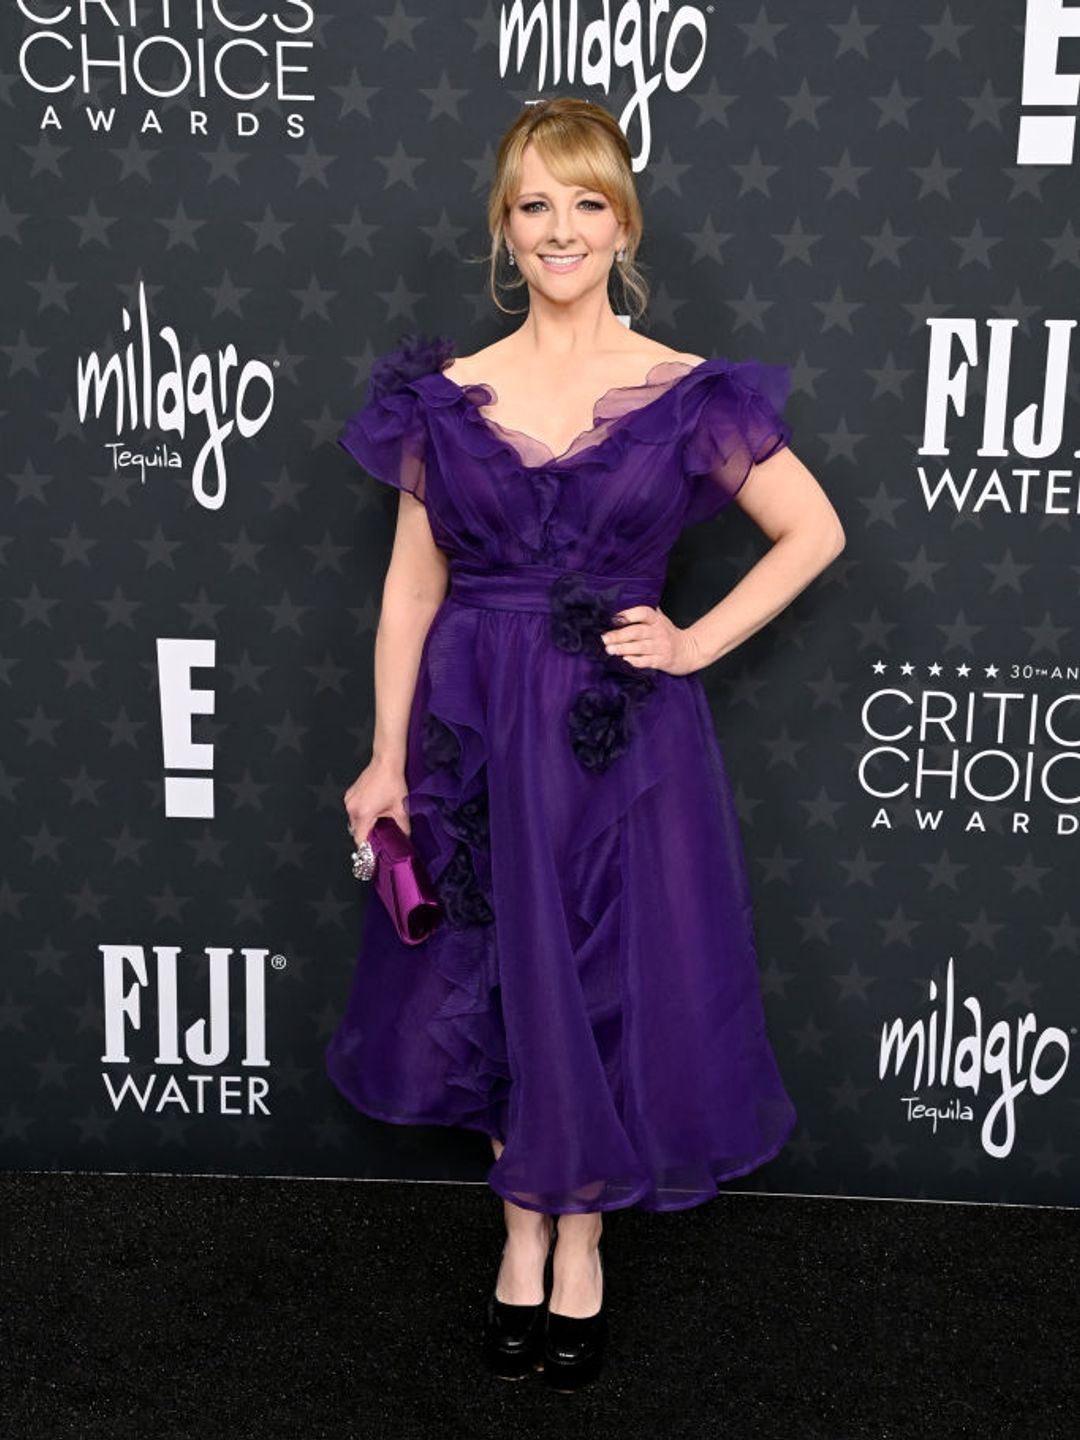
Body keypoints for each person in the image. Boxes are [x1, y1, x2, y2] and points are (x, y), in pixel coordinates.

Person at [327, 95, 845, 1392]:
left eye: (587, 202)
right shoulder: (445, 401)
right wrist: (387, 759)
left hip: (623, 743)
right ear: (506, 229)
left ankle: (583, 1246)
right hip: (475, 732)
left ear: (623, 223)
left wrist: (692, 640)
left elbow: (815, 532)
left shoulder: (687, 393)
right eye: (535, 204)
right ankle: (519, 1233)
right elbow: (410, 590)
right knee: (496, 977)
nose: (562, 228)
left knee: (608, 977)